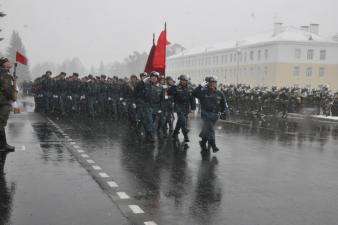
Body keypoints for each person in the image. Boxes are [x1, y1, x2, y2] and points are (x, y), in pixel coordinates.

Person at [193, 76, 228, 153]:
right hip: (205, 113)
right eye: (211, 82)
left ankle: (203, 140)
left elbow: (224, 103)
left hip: (215, 115)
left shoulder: (220, 93)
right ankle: (213, 146)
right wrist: (200, 86)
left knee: (207, 129)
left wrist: (224, 112)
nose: (213, 84)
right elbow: (194, 93)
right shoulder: (203, 91)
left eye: (214, 82)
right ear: (208, 83)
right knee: (211, 129)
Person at [168, 74, 196, 142]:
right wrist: (174, 85)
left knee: (180, 121)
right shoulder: (176, 87)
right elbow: (169, 92)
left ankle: (175, 133)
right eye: (182, 80)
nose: (184, 82)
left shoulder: (190, 88)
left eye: (185, 80)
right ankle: (186, 135)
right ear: (180, 80)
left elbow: (192, 98)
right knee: (183, 120)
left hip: (186, 106)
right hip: (178, 105)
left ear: (187, 81)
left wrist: (193, 107)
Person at [0, 58, 16, 152]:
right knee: (1, 123)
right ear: (3, 65)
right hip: (4, 101)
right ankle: (3, 145)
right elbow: (7, 89)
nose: (9, 63)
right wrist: (13, 98)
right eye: (7, 62)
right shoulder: (5, 74)